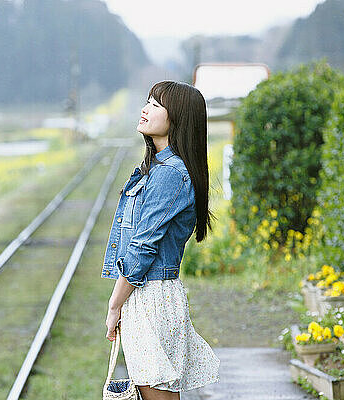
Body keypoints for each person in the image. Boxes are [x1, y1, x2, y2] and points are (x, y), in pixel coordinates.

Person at [101, 80, 220, 399]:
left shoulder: (168, 174)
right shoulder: (157, 169)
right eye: (147, 101)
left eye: (156, 105)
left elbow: (142, 247)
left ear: (177, 118)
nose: (145, 109)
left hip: (152, 297)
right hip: (149, 296)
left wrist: (115, 305)